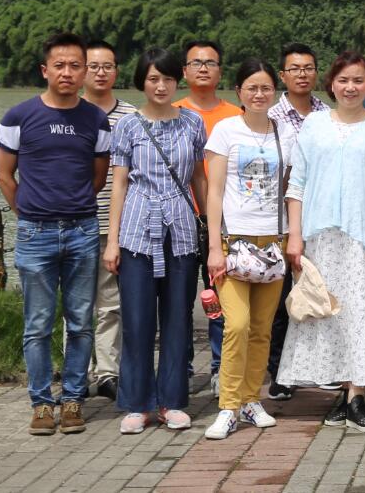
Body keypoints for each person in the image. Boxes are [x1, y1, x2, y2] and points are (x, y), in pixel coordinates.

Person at [279, 51, 365, 434]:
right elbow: (297, 184)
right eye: (343, 80)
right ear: (331, 84)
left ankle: (357, 396)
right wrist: (295, 235)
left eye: (358, 80)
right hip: (322, 240)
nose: (350, 87)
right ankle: (343, 391)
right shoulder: (314, 124)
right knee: (332, 316)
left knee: (364, 315)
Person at [0, 32, 110, 436]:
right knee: (38, 324)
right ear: (44, 70)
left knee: (81, 322)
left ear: (84, 72)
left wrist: (71, 208)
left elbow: (98, 177)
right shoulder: (18, 117)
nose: (67, 72)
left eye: (75, 65)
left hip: (82, 232)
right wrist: (28, 213)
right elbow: (5, 176)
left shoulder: (96, 120)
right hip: (35, 234)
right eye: (59, 65)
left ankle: (74, 399)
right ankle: (42, 403)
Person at [103, 48, 207, 435]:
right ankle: (138, 402)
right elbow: (119, 184)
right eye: (153, 79)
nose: (161, 86)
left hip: (180, 231)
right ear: (142, 82)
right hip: (136, 230)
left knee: (178, 318)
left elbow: (198, 177)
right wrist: (112, 240)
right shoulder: (128, 126)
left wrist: (210, 226)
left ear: (178, 79)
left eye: (167, 78)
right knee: (137, 319)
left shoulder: (192, 123)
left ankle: (172, 401)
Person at [202, 59, 291, 440]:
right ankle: (228, 406)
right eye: (251, 88)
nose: (259, 94)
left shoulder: (284, 131)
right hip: (233, 242)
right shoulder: (226, 130)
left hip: (272, 242)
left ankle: (252, 399)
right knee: (235, 325)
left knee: (261, 329)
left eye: (266, 88)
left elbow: (291, 188)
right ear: (238, 91)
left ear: (275, 92)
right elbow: (215, 192)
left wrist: (294, 237)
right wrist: (214, 247)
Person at [175, 39, 242, 383]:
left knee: (220, 296)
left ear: (220, 71)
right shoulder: (172, 111)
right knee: (180, 297)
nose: (203, 68)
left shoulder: (236, 115)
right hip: (180, 219)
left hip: (225, 220)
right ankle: (181, 367)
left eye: (210, 63)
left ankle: (221, 367)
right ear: (184, 71)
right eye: (196, 63)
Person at [263, 43, 327, 400]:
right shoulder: (270, 115)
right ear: (282, 75)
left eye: (308, 68)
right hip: (280, 221)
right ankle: (279, 372)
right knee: (280, 299)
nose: (302, 74)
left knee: (317, 292)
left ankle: (321, 367)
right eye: (294, 69)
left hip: (321, 218)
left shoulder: (328, 113)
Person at [83, 40, 135, 401]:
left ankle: (107, 372)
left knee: (111, 302)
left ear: (117, 71)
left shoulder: (130, 116)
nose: (101, 73)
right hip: (76, 222)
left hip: (115, 226)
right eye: (94, 66)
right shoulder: (68, 111)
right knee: (77, 304)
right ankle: (77, 372)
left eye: (108, 66)